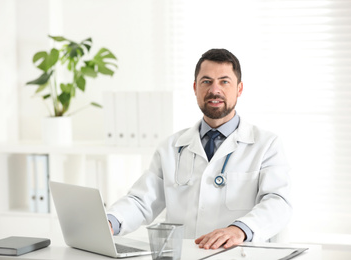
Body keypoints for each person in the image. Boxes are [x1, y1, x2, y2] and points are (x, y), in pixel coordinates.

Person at [107, 48, 292, 250]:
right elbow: (141, 201)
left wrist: (239, 230)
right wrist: (110, 222)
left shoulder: (266, 145)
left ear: (239, 89)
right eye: (206, 81)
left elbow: (278, 203)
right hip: (186, 254)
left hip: (237, 253)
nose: (215, 90)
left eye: (224, 81)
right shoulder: (171, 147)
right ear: (195, 88)